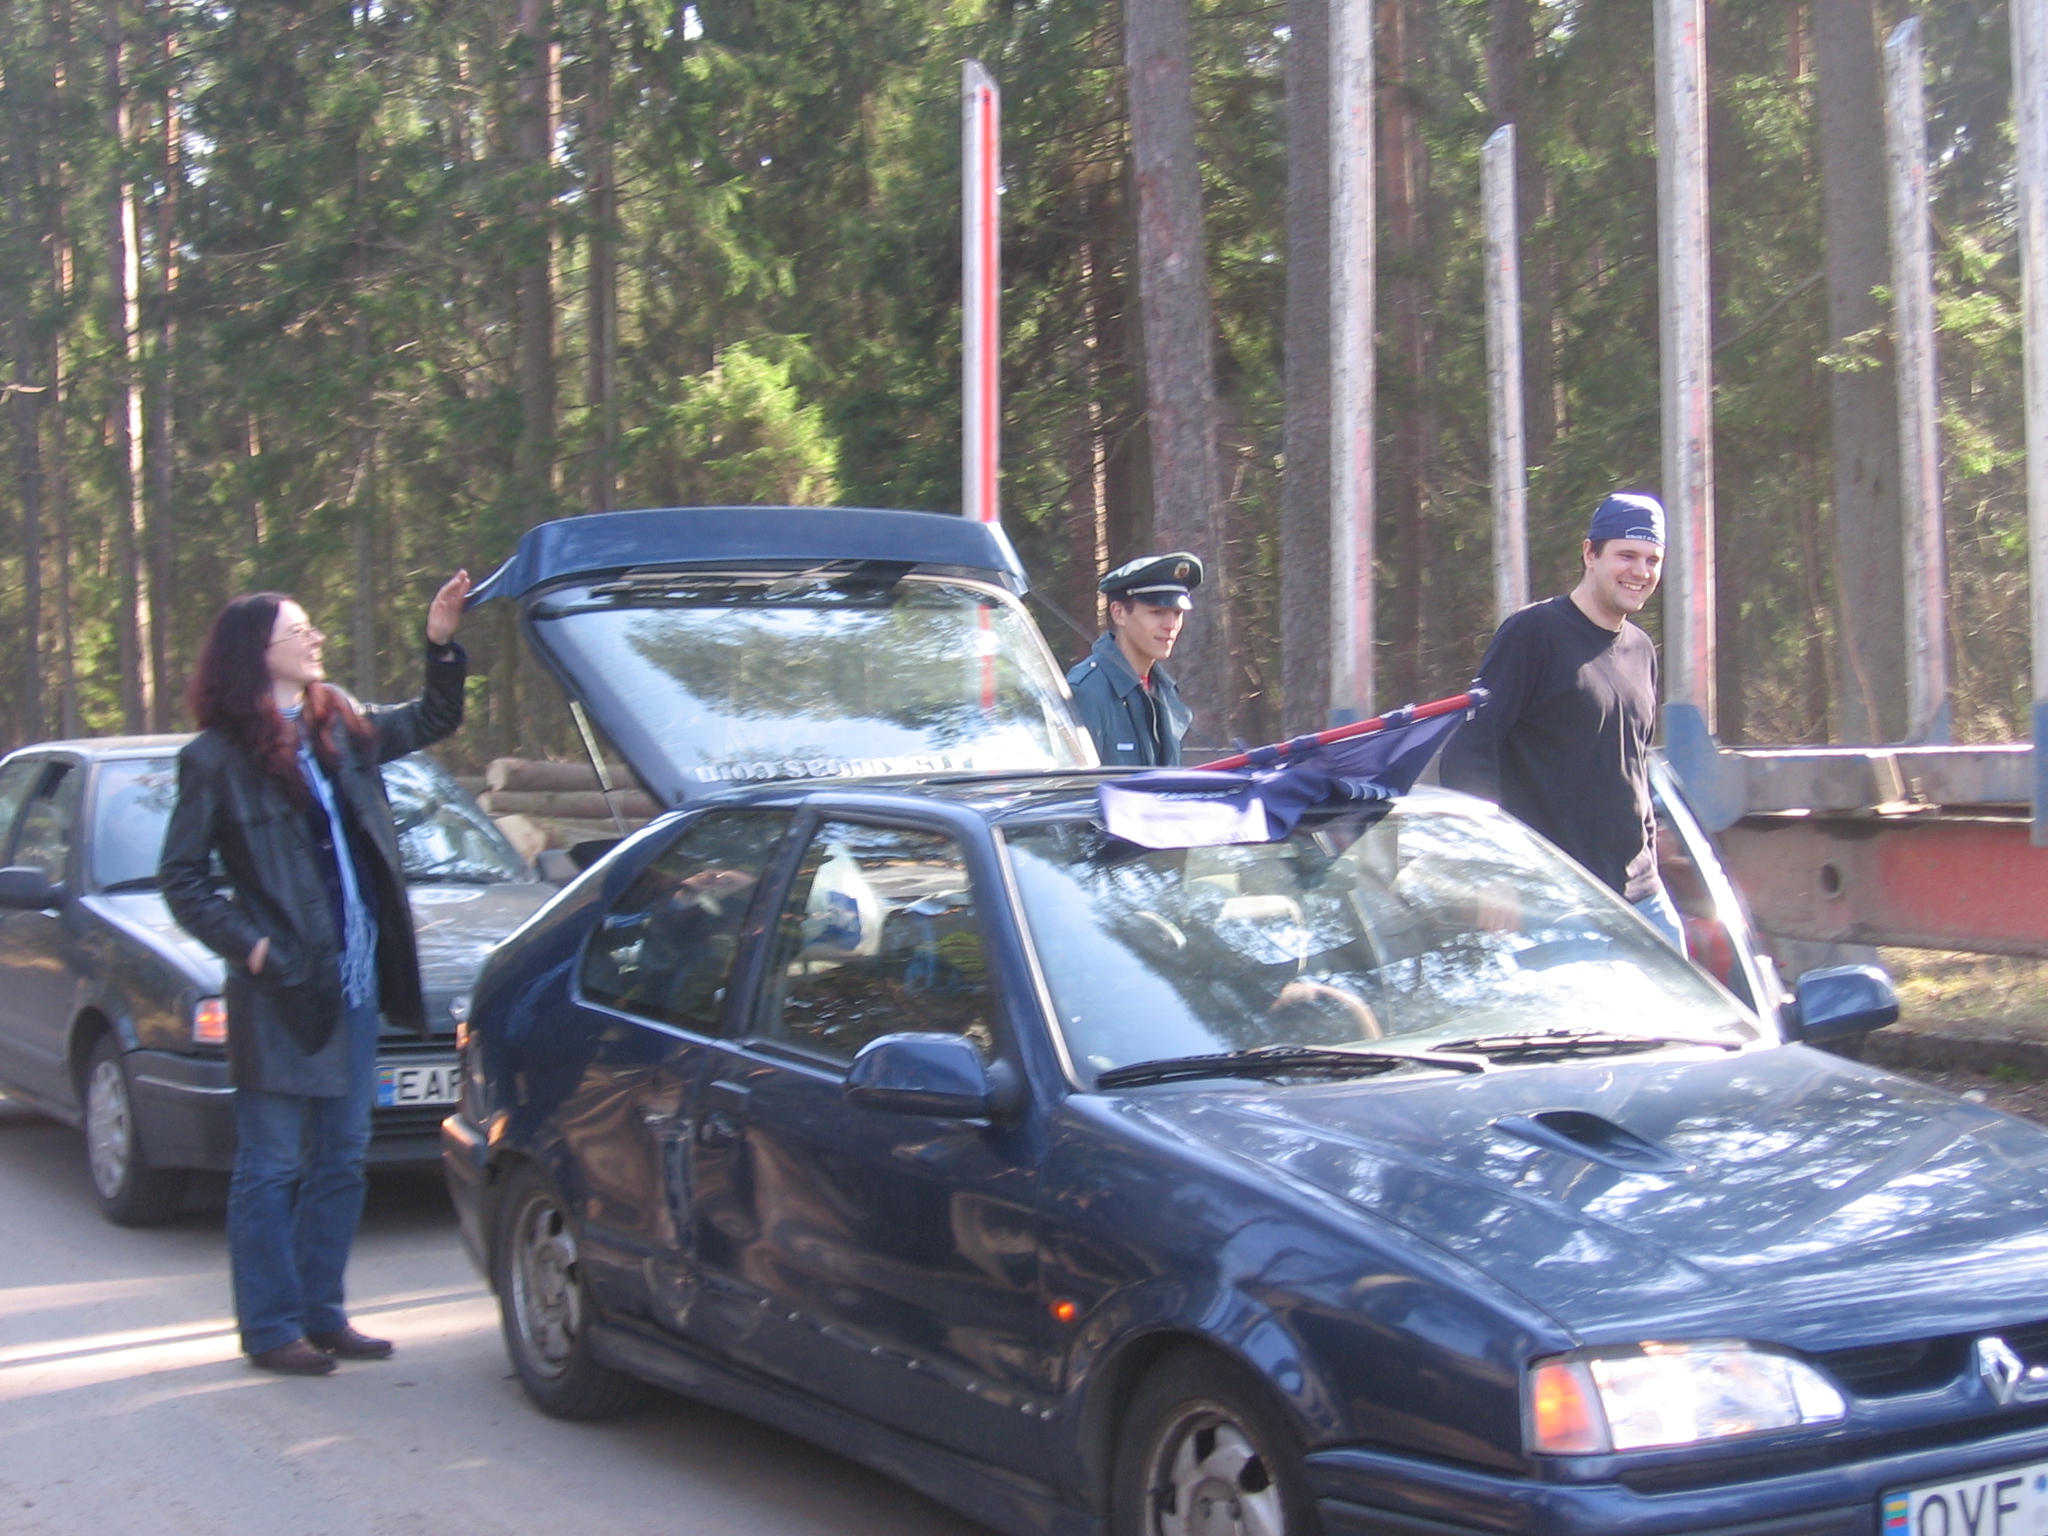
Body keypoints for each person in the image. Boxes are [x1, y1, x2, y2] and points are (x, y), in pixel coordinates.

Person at [160, 574, 472, 1375]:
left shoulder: (341, 727)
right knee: (271, 1165)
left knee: (342, 1155)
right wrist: (256, 951)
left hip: (356, 984)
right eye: (300, 631)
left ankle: (322, 1313)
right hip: (281, 990)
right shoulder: (214, 759)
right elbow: (183, 880)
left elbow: (434, 718)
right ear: (255, 653)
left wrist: (439, 645)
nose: (317, 639)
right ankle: (271, 1328)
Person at [1439, 493, 1687, 952]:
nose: (1640, 571)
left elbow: (1633, 766)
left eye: (1652, 559)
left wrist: (1651, 855)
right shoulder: (1533, 634)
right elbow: (1469, 751)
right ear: (1590, 553)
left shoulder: (1641, 650)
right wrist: (1491, 871)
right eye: (1626, 555)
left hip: (1645, 901)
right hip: (1557, 900)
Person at [1067, 552, 1202, 767]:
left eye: (1177, 613)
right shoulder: (1086, 691)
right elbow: (1074, 783)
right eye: (1157, 612)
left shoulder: (1164, 690)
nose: (1170, 625)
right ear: (1119, 613)